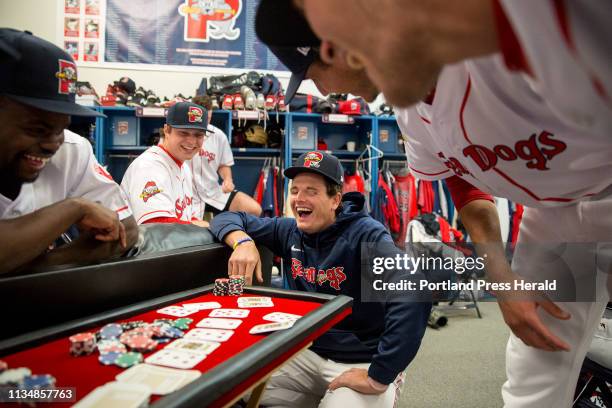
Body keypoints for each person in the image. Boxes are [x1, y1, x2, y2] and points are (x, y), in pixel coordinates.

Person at [254, 3, 612, 407]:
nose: (319, 91)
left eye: (313, 74)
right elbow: (461, 183)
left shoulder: (528, 36)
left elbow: (412, 290)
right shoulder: (409, 112)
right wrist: (500, 275)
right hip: (554, 215)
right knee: (538, 364)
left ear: (339, 49)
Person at [210, 151, 431, 407]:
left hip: (360, 360)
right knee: (225, 389)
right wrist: (243, 241)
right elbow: (227, 217)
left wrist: (380, 375)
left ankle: (387, 386)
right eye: (295, 191)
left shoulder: (366, 234)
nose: (299, 199)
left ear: (335, 199)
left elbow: (414, 287)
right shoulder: (289, 230)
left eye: (311, 191)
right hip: (306, 354)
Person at [0, 28, 138, 274]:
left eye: (61, 127)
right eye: (37, 128)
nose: (53, 143)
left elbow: (125, 230)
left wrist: (34, 268)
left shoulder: (72, 148)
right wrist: (73, 208)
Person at [121, 102, 209, 227]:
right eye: (184, 133)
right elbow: (157, 226)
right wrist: (208, 227)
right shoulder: (149, 166)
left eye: (198, 135)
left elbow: (186, 217)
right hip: (143, 245)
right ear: (167, 130)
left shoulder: (184, 167)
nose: (191, 141)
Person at [189, 95, 262, 218]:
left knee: (254, 209)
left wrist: (228, 180)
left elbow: (223, 164)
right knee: (200, 229)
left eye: (209, 117)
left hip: (212, 192)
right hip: (187, 194)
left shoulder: (218, 135)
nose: (206, 121)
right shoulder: (182, 135)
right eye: (203, 118)